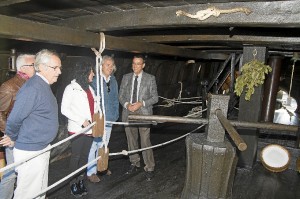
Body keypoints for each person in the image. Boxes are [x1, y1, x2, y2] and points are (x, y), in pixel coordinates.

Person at [0, 49, 61, 199]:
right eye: (56, 68)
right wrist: (12, 136)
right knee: (27, 193)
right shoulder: (33, 88)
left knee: (38, 191)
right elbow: (14, 118)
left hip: (40, 147)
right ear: (43, 67)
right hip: (31, 150)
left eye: (60, 67)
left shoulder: (42, 85)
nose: (59, 72)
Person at [0, 54, 35, 199]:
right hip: (15, 138)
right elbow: (0, 113)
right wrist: (10, 134)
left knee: (29, 173)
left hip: (31, 135)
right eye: (34, 64)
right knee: (11, 174)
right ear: (23, 68)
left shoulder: (35, 84)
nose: (37, 67)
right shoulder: (9, 87)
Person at [119, 54, 158, 181]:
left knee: (145, 140)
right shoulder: (126, 77)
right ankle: (134, 162)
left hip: (144, 113)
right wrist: (127, 105)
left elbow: (155, 98)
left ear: (143, 65)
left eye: (138, 64)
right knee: (131, 139)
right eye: (134, 63)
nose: (135, 66)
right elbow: (121, 95)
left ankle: (149, 167)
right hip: (128, 112)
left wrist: (141, 103)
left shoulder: (150, 78)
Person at [61, 61, 96, 197]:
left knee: (84, 157)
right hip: (77, 129)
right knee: (75, 157)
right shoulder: (71, 88)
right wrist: (81, 121)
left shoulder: (90, 88)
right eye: (91, 71)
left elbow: (94, 107)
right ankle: (72, 183)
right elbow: (64, 109)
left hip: (90, 129)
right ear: (85, 72)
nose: (93, 74)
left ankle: (81, 180)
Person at [87, 55, 119, 183]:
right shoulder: (95, 81)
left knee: (104, 144)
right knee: (94, 145)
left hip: (110, 117)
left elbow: (115, 98)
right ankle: (91, 171)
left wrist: (115, 114)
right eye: (107, 65)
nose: (110, 68)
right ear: (101, 66)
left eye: (112, 65)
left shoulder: (114, 80)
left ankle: (102, 167)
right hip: (99, 118)